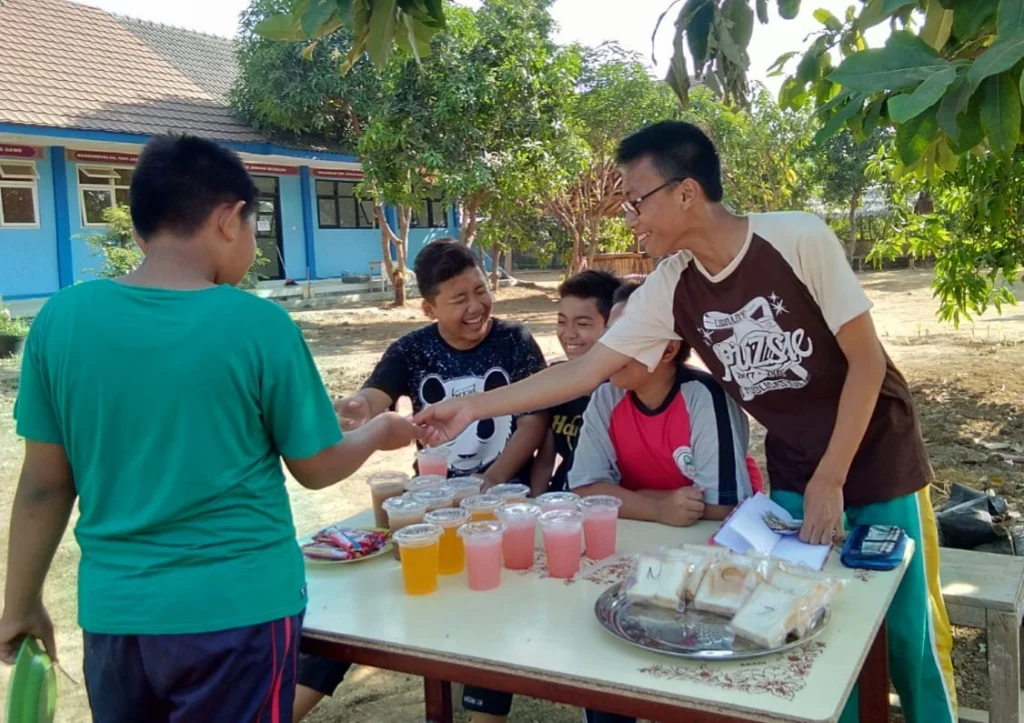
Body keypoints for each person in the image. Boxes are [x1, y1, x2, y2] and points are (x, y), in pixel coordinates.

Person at [415, 120, 956, 723]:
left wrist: (833, 478)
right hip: (797, 464)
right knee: (811, 627)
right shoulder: (671, 285)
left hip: (876, 450)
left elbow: (867, 361)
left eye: (636, 201)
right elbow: (587, 370)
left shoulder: (797, 238)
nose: (631, 219)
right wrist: (474, 406)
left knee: (904, 635)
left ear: (686, 192)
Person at [0, 134, 420, 723]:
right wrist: (381, 432)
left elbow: (44, 486)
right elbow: (318, 465)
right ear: (228, 218)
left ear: (142, 228)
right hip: (239, 611)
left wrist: (20, 602)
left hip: (118, 615)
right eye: (253, 226)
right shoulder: (257, 325)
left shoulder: (60, 322)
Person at [295, 238, 548, 722]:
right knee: (362, 610)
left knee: (488, 611)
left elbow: (533, 421)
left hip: (501, 506)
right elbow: (375, 397)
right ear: (430, 307)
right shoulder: (411, 350)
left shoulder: (515, 340)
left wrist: (493, 479)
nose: (476, 307)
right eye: (459, 299)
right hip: (430, 510)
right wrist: (359, 408)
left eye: (481, 290)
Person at [569, 283, 763, 524]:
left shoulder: (705, 397)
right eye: (607, 335)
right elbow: (585, 490)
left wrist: (627, 497)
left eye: (624, 337)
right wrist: (657, 508)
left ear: (668, 350)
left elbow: (722, 507)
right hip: (647, 528)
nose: (607, 349)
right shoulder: (607, 397)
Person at [530, 269, 622, 496]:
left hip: (609, 503)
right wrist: (534, 503)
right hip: (562, 500)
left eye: (582, 324)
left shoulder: (623, 388)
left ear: (612, 327)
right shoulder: (557, 384)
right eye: (562, 322)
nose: (568, 334)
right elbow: (545, 462)